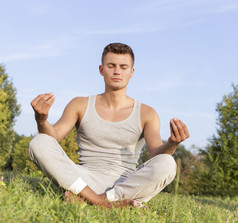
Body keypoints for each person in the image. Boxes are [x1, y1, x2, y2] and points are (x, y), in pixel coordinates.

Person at [29, 43, 189, 208]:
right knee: (38, 142)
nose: (117, 71)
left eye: (123, 67)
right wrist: (41, 120)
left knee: (167, 163)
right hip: (84, 179)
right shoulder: (80, 104)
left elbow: (156, 154)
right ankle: (102, 202)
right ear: (101, 69)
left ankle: (93, 199)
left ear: (131, 72)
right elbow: (53, 138)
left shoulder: (147, 113)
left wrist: (172, 143)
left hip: (126, 184)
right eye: (111, 66)